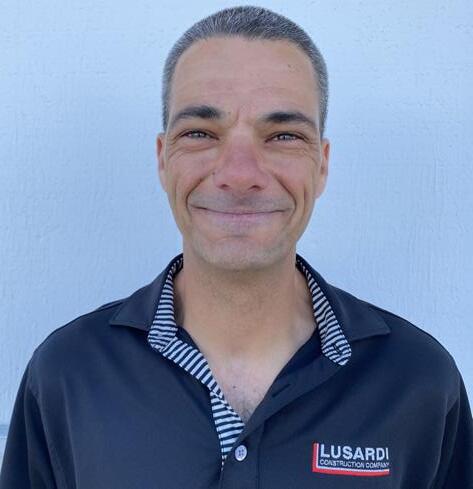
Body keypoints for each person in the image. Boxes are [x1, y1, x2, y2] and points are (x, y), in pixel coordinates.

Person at [1, 5, 472, 488]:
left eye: (283, 135)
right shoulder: (67, 375)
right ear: (163, 159)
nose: (240, 174)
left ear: (322, 165)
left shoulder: (418, 382)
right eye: (200, 134)